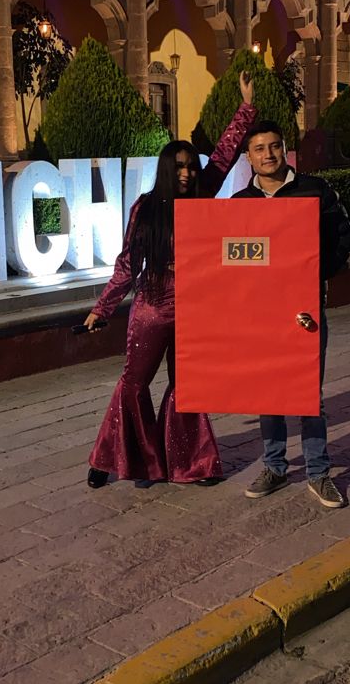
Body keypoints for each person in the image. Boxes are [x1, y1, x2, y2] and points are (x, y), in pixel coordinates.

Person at [84, 74, 257, 489]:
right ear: (166, 169)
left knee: (188, 387)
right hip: (152, 307)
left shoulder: (202, 199)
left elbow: (223, 155)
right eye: (177, 167)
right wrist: (100, 308)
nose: (185, 173)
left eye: (189, 167)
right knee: (134, 383)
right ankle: (108, 459)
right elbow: (127, 265)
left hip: (194, 308)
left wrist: (246, 107)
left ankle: (190, 464)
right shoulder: (146, 208)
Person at [232, 120, 350, 508]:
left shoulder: (314, 190)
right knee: (268, 390)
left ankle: (318, 474)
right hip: (261, 315)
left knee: (307, 394)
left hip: (305, 310)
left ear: (285, 149)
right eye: (259, 149)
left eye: (274, 146)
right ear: (248, 157)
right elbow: (230, 259)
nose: (268, 155)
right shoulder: (240, 205)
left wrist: (315, 272)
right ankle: (275, 466)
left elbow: (343, 237)